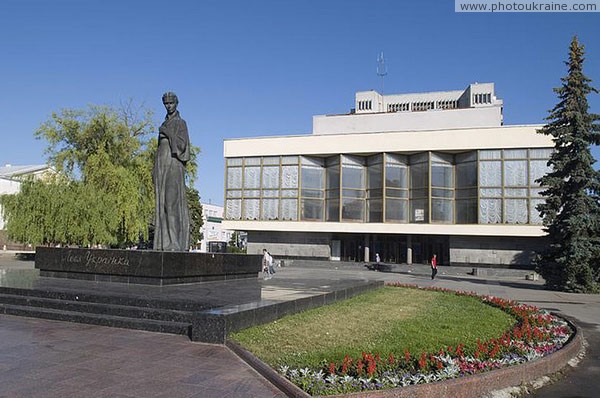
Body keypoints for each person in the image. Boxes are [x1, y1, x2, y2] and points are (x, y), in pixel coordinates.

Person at [153, 92, 190, 251]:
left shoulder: (180, 123)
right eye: (166, 104)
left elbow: (182, 146)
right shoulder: (164, 123)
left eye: (171, 103)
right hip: (162, 167)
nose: (168, 106)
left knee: (171, 203)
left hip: (174, 166)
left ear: (176, 103)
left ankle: (175, 242)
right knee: (162, 205)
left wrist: (167, 133)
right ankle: (163, 243)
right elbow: (159, 149)